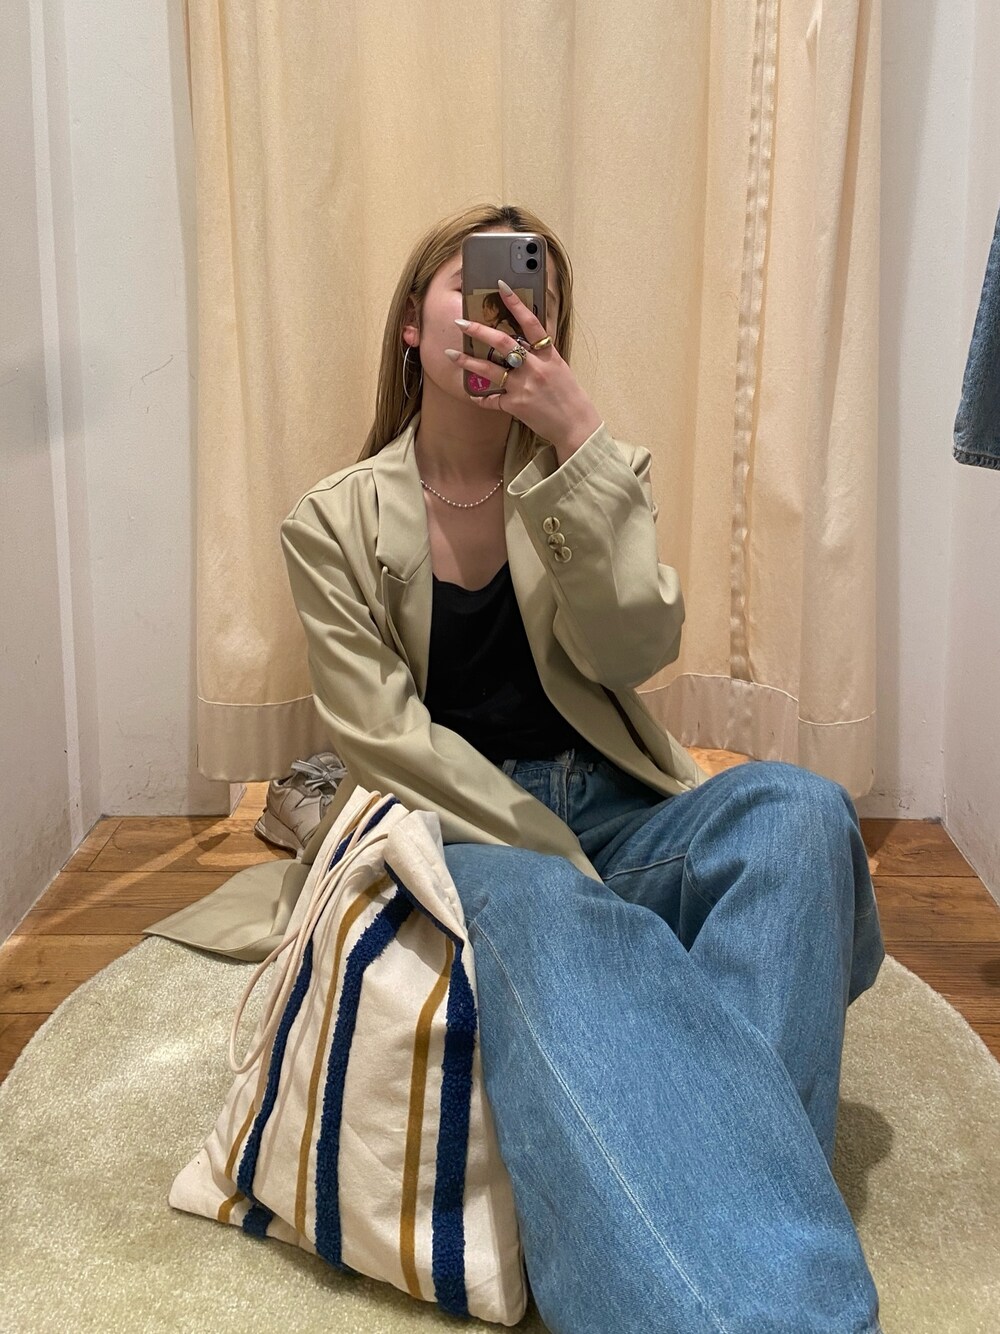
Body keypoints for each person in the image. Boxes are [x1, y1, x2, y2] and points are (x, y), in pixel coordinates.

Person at [257, 203, 890, 1332]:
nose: (502, 315)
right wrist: (549, 850)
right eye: (475, 291)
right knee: (560, 914)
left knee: (800, 813)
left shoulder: (590, 472)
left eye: (527, 299)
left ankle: (714, 1236)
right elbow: (384, 739)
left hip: (616, 803)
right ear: (412, 327)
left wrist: (581, 443)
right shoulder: (333, 520)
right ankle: (751, 1297)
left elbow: (638, 651)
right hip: (461, 831)